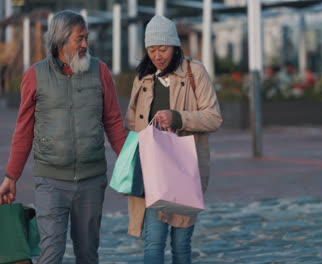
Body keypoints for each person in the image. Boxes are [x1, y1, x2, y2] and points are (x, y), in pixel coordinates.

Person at [0, 10, 127, 264]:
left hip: (92, 181)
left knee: (88, 254)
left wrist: (130, 169)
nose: (84, 44)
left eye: (86, 38)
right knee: (51, 253)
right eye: (78, 39)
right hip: (50, 182)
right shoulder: (34, 75)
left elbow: (113, 122)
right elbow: (24, 128)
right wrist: (11, 176)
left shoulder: (100, 71)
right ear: (60, 40)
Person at [125, 15, 222, 263]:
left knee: (181, 245)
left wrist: (178, 118)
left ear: (175, 46)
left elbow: (214, 118)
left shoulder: (194, 71)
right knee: (153, 242)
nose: (157, 55)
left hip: (184, 172)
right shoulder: (143, 78)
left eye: (163, 49)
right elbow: (131, 121)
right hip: (152, 172)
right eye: (152, 50)